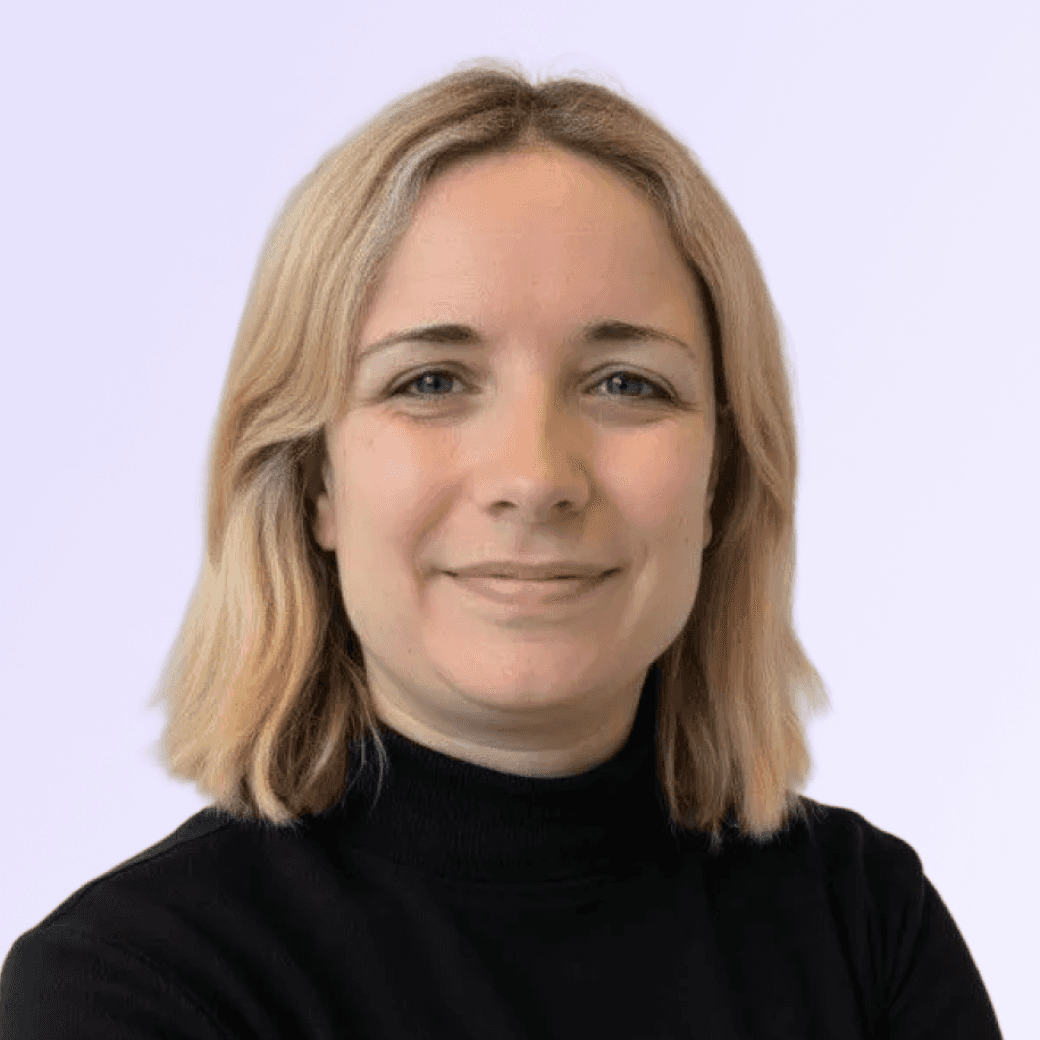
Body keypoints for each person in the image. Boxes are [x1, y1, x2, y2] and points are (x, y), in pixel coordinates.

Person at [0, 58, 1003, 1039]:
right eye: (430, 382)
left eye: (626, 383)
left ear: (720, 483)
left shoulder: (866, 926)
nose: (533, 475)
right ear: (313, 481)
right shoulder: (126, 985)